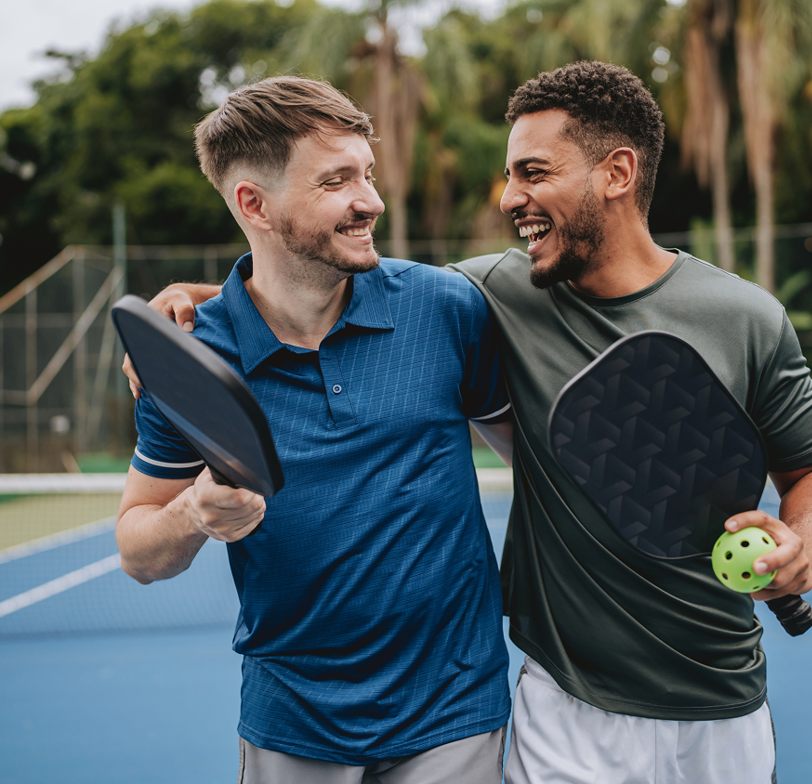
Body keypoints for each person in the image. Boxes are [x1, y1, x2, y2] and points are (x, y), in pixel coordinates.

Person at [138, 62, 812, 783]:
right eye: (511, 174)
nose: (512, 197)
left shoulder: (744, 317)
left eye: (533, 173)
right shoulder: (491, 294)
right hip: (560, 703)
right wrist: (200, 310)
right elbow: (311, 278)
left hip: (719, 690)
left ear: (617, 172)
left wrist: (803, 547)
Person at [115, 75, 513, 784]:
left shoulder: (448, 308)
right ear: (253, 204)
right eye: (336, 181)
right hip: (291, 721)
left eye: (366, 173)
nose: (371, 201)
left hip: (455, 709)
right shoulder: (187, 358)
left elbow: (536, 457)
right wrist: (193, 511)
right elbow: (140, 552)